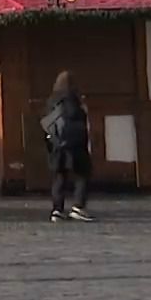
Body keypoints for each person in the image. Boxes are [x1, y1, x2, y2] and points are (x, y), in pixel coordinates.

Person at [41, 71, 93, 222]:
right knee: (83, 173)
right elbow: (78, 120)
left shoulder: (51, 100)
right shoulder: (73, 100)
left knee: (59, 177)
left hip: (57, 145)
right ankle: (78, 206)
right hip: (74, 145)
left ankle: (57, 209)